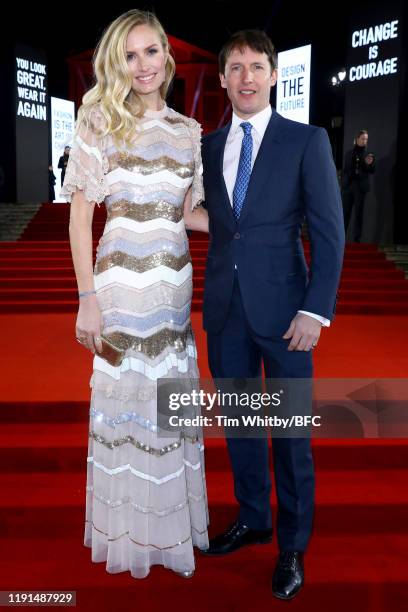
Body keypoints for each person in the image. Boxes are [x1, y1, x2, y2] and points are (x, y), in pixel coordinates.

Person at [60, 9, 209, 580]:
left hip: (173, 286)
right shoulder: (98, 121)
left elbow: (189, 214)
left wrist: (256, 221)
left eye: (151, 52)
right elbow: (80, 221)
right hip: (120, 289)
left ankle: (168, 532)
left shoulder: (188, 131)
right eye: (129, 54)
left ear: (167, 59)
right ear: (115, 62)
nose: (141, 65)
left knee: (167, 405)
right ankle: (129, 537)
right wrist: (86, 297)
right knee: (128, 405)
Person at [200, 30, 345, 600]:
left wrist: (316, 308)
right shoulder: (211, 147)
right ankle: (254, 517)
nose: (246, 78)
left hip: (288, 316)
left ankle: (292, 546)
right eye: (235, 68)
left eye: (257, 66)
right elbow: (224, 223)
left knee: (288, 437)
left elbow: (330, 233)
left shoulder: (304, 142)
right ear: (223, 79)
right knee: (240, 429)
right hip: (225, 313)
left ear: (274, 74)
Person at [342, 129, 375, 242]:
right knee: (345, 213)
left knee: (358, 214)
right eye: (362, 138)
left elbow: (371, 170)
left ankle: (357, 239)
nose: (364, 141)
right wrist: (344, 183)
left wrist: (369, 164)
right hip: (348, 186)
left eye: (366, 139)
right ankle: (341, 238)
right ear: (357, 139)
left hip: (360, 187)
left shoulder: (368, 155)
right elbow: (345, 170)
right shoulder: (348, 154)